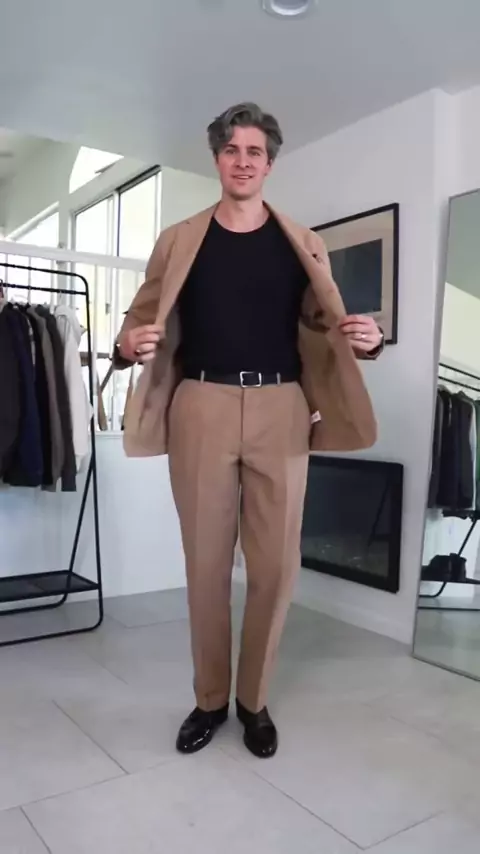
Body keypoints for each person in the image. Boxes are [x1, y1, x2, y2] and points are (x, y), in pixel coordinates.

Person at [114, 103, 383, 759]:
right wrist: (125, 345)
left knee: (276, 566)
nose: (242, 161)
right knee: (206, 565)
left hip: (282, 408)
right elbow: (139, 319)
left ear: (269, 163)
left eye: (254, 151)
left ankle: (252, 701)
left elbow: (327, 327)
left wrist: (368, 341)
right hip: (199, 404)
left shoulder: (302, 242)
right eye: (231, 150)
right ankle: (210, 698)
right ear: (217, 159)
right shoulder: (180, 239)